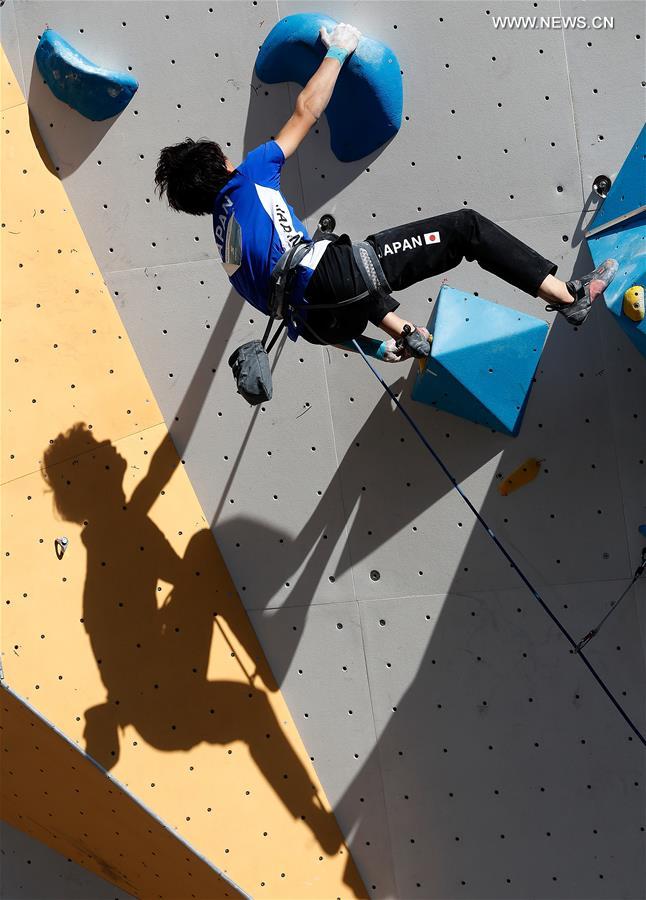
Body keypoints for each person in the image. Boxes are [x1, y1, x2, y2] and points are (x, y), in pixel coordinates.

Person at [155, 22, 617, 362]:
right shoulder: (249, 176)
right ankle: (568, 297)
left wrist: (377, 347)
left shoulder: (229, 257)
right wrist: (338, 51)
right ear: (220, 166)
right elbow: (305, 113)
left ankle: (407, 335)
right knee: (465, 228)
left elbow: (310, 316)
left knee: (337, 271)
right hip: (335, 278)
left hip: (322, 319)